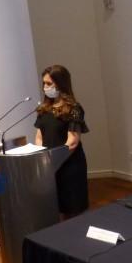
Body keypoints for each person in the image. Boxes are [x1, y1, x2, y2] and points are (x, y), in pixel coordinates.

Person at [33, 65, 89, 219]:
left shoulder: (74, 108)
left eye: (49, 84)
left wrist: (53, 160)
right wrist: (41, 156)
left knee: (72, 210)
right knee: (53, 208)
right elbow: (39, 136)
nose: (45, 87)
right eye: (44, 83)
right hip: (49, 165)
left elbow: (72, 142)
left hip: (69, 165)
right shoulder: (44, 109)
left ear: (61, 83)